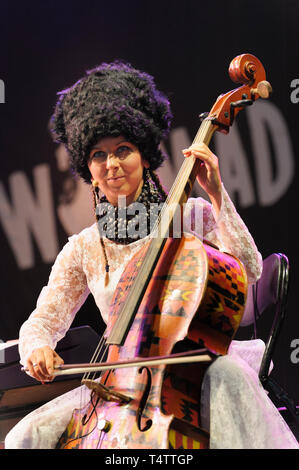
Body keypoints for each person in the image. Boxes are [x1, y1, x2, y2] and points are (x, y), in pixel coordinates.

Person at [5, 61, 299, 449]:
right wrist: (38, 349)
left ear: (145, 154)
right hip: (117, 383)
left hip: (192, 366)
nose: (111, 165)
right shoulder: (83, 248)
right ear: (87, 170)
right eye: (98, 155)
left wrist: (217, 195)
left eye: (123, 150)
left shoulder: (191, 215)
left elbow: (248, 270)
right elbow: (42, 321)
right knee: (24, 435)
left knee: (228, 378)